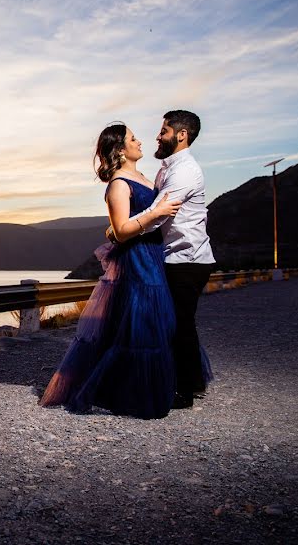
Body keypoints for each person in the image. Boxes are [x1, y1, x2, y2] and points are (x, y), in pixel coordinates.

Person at [39, 123, 182, 419]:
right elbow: (123, 229)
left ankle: (130, 390)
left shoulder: (141, 176)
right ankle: (131, 396)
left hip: (154, 254)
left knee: (149, 324)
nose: (139, 141)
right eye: (133, 138)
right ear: (120, 149)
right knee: (143, 324)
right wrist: (155, 213)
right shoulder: (118, 183)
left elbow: (115, 229)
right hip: (137, 258)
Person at [112, 110, 216, 408]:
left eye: (164, 131)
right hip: (170, 257)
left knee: (177, 323)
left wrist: (117, 230)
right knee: (175, 322)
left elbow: (157, 215)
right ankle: (189, 382)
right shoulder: (165, 169)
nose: (158, 136)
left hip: (187, 259)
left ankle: (183, 390)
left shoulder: (184, 171)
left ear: (181, 135)